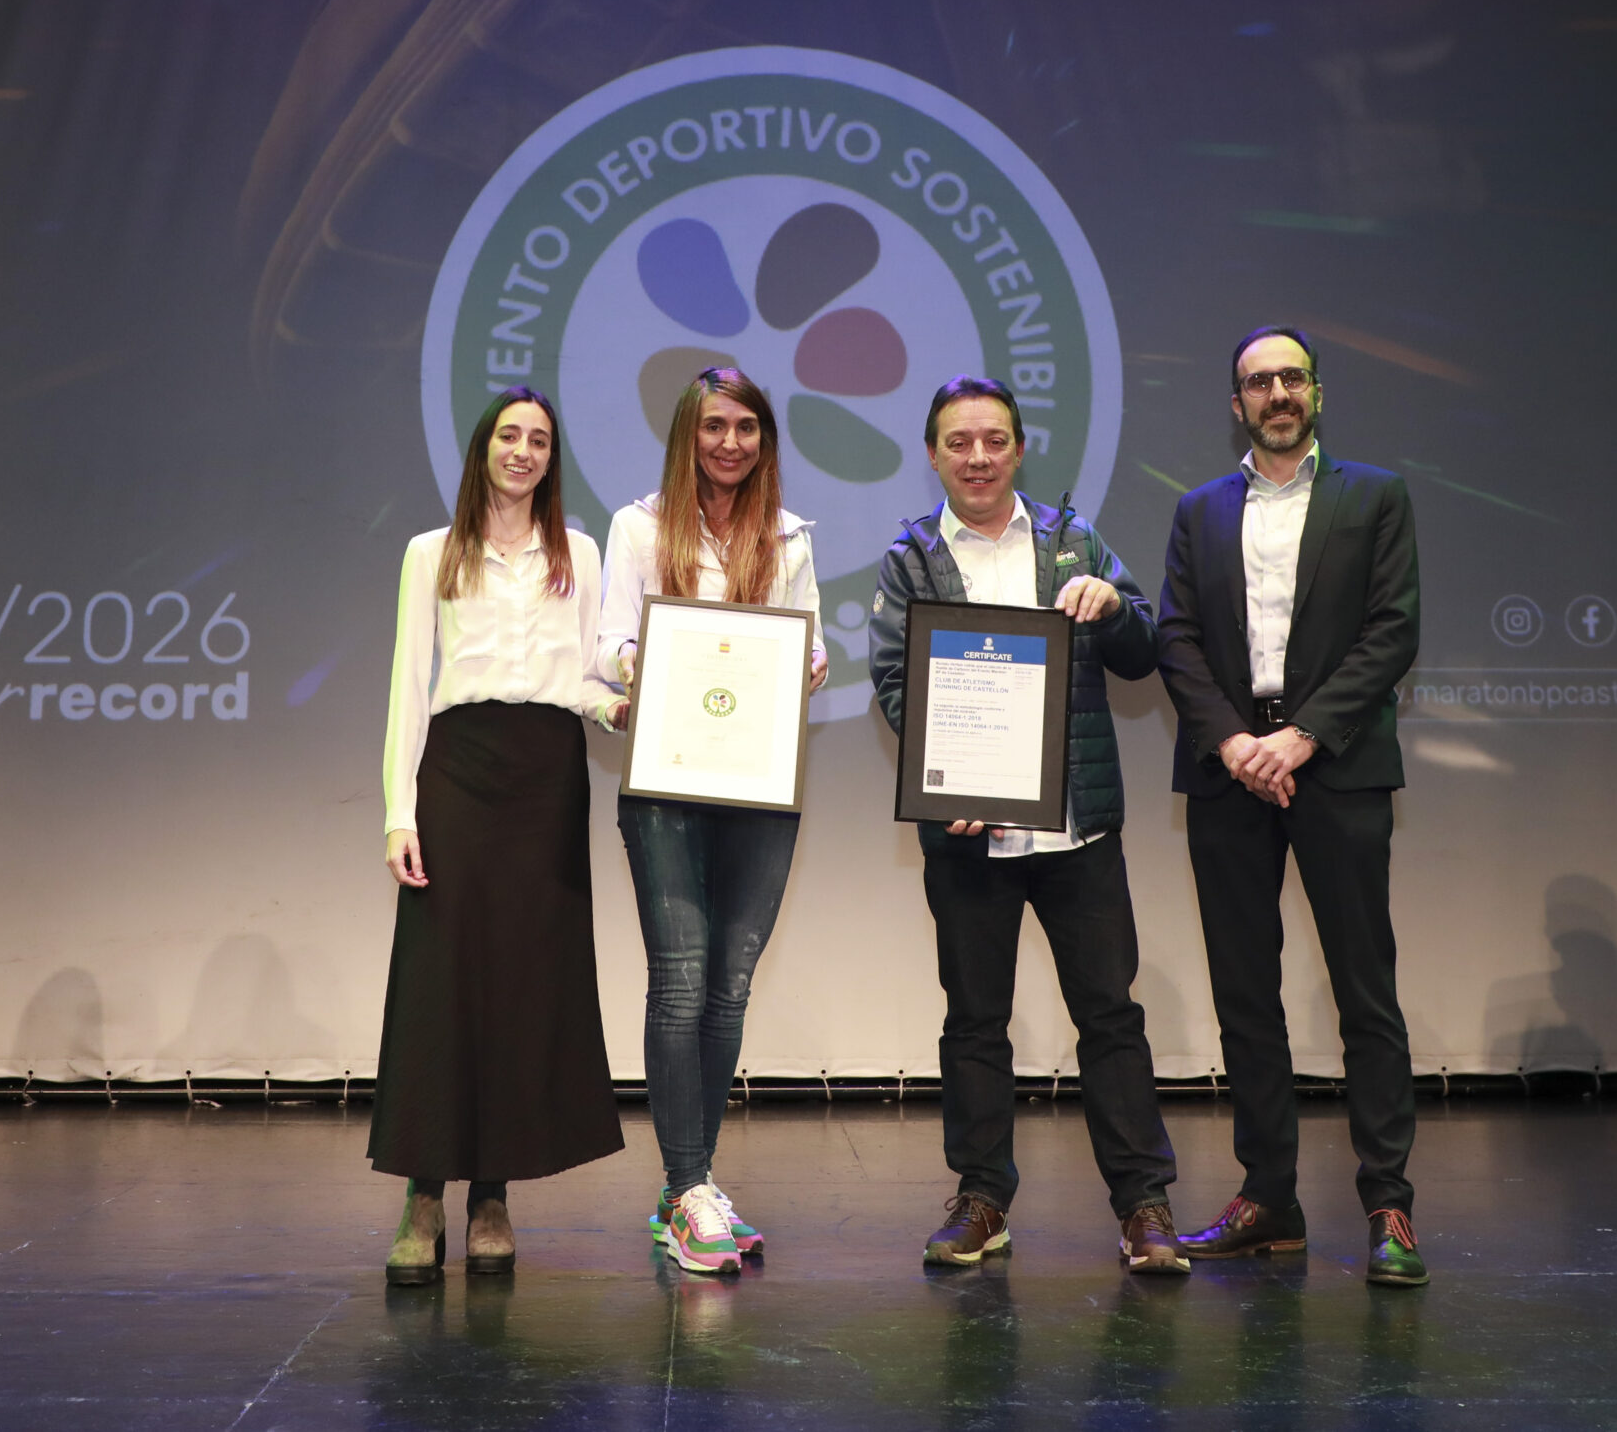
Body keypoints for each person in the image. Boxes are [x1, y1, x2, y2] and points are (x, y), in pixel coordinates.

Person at [866, 375, 1189, 1276]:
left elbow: (1143, 653)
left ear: (1018, 448)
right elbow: (894, 682)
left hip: (1076, 830)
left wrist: (1114, 607)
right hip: (970, 837)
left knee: (1110, 1017)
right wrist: (948, 781)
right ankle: (981, 1200)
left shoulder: (1073, 540)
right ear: (933, 454)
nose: (978, 457)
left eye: (994, 440)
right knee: (975, 1021)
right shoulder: (910, 556)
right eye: (959, 442)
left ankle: (1144, 1204)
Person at [1156, 326, 1428, 1287]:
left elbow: (1392, 630)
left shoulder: (1375, 495)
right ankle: (1268, 1198)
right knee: (1245, 993)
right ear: (1236, 403)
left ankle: (1388, 1205)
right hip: (1231, 772)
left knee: (1365, 990)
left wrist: (1302, 736)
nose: (1277, 393)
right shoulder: (1198, 510)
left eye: (1291, 378)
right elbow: (1176, 637)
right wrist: (1237, 743)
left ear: (1317, 392)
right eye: (1258, 382)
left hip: (1336, 766)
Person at [373, 386, 625, 1286]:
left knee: (523, 987)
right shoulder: (430, 551)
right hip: (460, 768)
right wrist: (399, 811)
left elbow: (587, 676)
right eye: (509, 435)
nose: (523, 451)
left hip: (547, 775)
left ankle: (491, 1196)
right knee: (440, 981)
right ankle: (421, 1192)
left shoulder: (579, 553)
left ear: (553, 459)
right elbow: (409, 684)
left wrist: (621, 705)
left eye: (539, 440)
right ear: (483, 448)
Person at [596, 368, 827, 1276]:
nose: (730, 443)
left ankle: (686, 1188)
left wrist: (806, 662)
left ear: (765, 439)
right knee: (683, 979)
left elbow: (810, 643)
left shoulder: (790, 537)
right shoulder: (638, 527)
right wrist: (659, 661)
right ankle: (689, 1186)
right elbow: (611, 645)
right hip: (667, 781)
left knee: (729, 986)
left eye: (747, 428)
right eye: (715, 426)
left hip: (760, 782)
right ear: (688, 435)